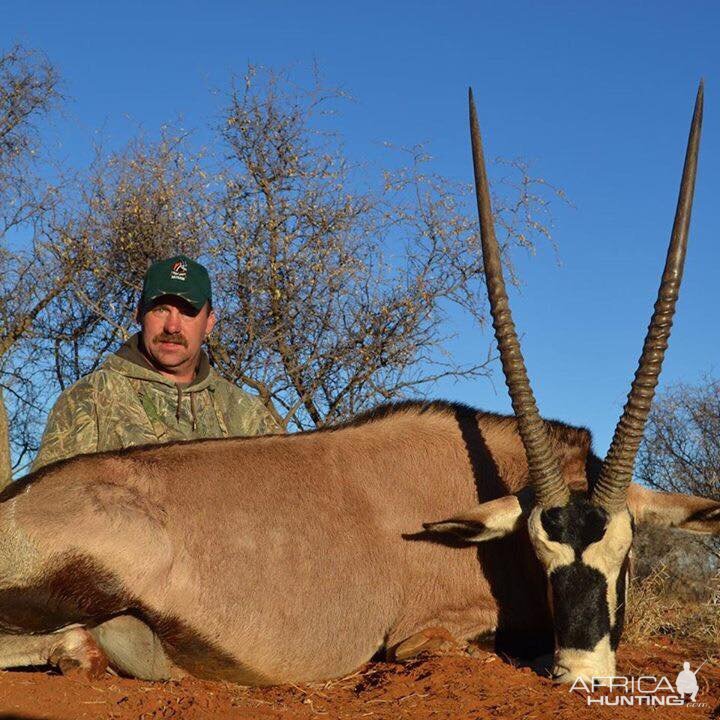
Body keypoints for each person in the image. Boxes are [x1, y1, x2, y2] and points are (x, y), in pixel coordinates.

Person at [33, 255, 279, 471]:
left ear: (209, 322)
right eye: (161, 309)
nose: (172, 326)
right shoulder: (89, 400)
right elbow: (49, 509)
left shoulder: (248, 415)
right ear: (138, 313)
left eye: (187, 312)